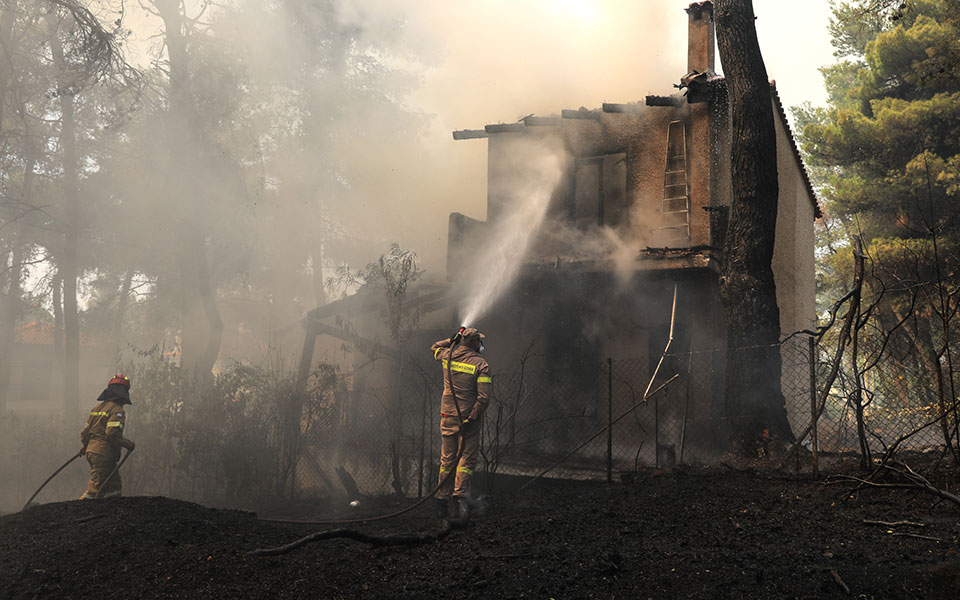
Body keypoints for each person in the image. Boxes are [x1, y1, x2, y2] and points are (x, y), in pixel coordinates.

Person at [430, 327, 491, 520]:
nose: (480, 344)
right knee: (466, 459)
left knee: (447, 459)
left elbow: (434, 347)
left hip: (448, 415)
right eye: (478, 341)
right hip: (468, 419)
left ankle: (441, 501)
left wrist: (450, 340)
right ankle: (460, 497)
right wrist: (472, 418)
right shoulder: (481, 364)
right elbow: (483, 398)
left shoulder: (448, 356)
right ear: (473, 343)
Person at [80, 374, 135, 499]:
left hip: (93, 452)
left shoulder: (96, 408)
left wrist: (86, 446)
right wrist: (127, 444)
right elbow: (112, 434)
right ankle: (77, 509)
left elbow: (85, 432)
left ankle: (110, 510)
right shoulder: (117, 410)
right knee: (94, 491)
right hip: (104, 454)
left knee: (114, 488)